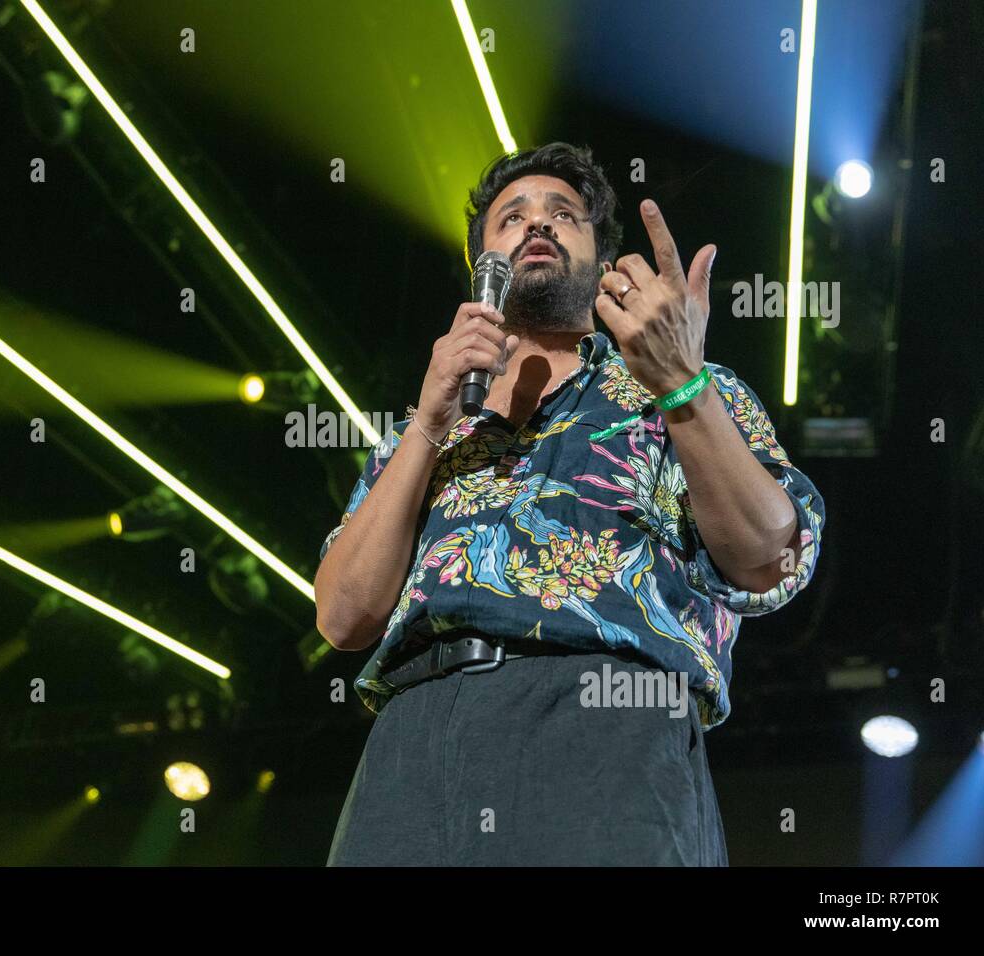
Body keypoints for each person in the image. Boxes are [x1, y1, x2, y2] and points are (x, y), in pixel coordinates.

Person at [314, 142, 826, 866]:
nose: (538, 226)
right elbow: (342, 617)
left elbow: (771, 559)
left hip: (609, 727)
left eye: (564, 216)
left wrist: (681, 382)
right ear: (480, 266)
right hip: (415, 741)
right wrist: (429, 424)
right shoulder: (423, 428)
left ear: (601, 261)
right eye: (512, 218)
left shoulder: (684, 388)